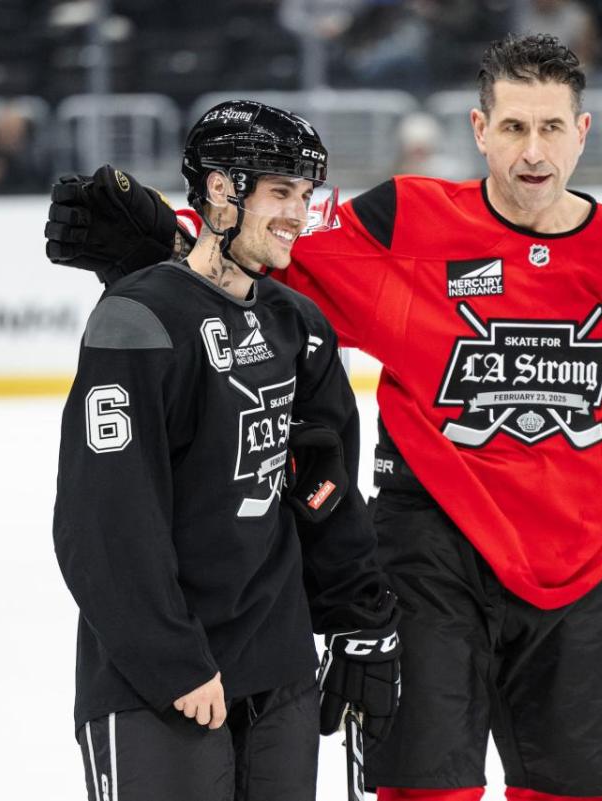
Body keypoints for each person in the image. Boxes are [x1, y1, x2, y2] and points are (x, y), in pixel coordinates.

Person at [47, 35, 602, 801]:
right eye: (514, 127)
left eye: (553, 128)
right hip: (431, 561)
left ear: (582, 131)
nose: (534, 150)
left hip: (575, 569)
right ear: (478, 129)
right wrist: (170, 242)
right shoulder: (408, 223)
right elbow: (276, 261)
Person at [50, 100, 401, 801]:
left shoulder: (299, 325)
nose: (299, 214)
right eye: (280, 192)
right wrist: (173, 659)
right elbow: (105, 522)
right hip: (159, 677)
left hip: (278, 668)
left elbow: (324, 488)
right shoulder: (138, 319)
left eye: (304, 195)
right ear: (220, 189)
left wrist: (364, 618)